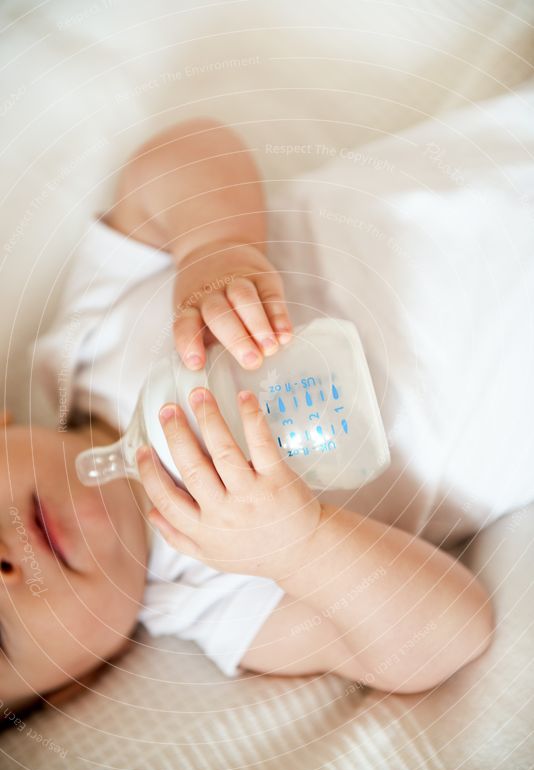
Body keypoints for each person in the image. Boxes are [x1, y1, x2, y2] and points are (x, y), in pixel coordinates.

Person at [7, 85, 534, 712]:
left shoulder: (85, 344)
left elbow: (182, 155)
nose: (3, 570)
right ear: (71, 684)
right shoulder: (217, 600)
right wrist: (300, 547)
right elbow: (448, 637)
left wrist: (215, 247)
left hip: (491, 181)